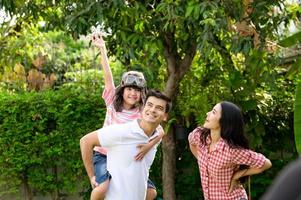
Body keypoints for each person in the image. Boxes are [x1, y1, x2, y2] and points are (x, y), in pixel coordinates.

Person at [88, 33, 164, 200]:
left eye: (137, 90)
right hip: (104, 155)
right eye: (129, 89)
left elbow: (160, 132)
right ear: (122, 90)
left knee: (150, 192)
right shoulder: (112, 101)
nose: (133, 93)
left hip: (125, 158)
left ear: (142, 94)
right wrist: (103, 49)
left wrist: (147, 147)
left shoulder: (142, 112)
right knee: (102, 189)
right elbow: (107, 77)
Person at [80, 89, 172, 200]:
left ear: (165, 116)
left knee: (152, 192)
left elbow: (160, 132)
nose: (153, 110)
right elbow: (86, 141)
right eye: (150, 105)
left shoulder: (155, 137)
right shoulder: (123, 132)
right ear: (143, 108)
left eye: (159, 108)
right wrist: (92, 176)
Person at [188, 101, 272, 200]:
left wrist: (237, 176)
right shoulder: (199, 135)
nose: (208, 113)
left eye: (213, 112)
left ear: (224, 121)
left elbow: (266, 164)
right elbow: (191, 142)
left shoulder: (231, 151)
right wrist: (203, 161)